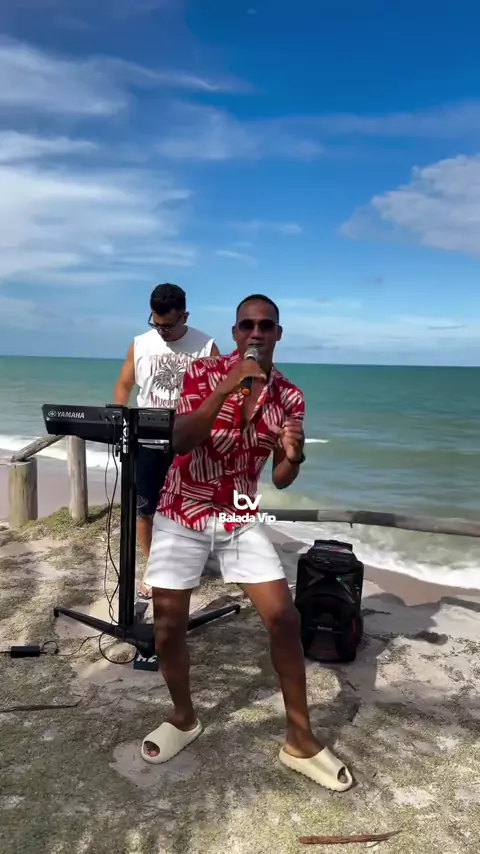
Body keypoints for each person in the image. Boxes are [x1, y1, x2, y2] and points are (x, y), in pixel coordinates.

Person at [139, 293, 353, 792]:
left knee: (284, 618)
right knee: (168, 626)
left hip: (239, 513)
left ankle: (299, 739)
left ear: (278, 333)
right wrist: (226, 388)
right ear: (235, 333)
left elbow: (281, 478)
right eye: (246, 325)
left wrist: (294, 456)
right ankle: (183, 718)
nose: (256, 333)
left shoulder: (290, 397)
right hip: (183, 506)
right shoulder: (203, 373)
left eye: (266, 325)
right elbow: (181, 441)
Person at [113, 283, 220, 598]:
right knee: (145, 510)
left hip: (190, 441)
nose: (161, 331)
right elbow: (124, 384)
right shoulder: (140, 344)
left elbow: (220, 396)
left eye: (168, 326)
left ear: (185, 316)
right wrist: (118, 418)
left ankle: (186, 564)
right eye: (156, 324)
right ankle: (153, 568)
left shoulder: (206, 347)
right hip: (146, 440)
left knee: (189, 509)